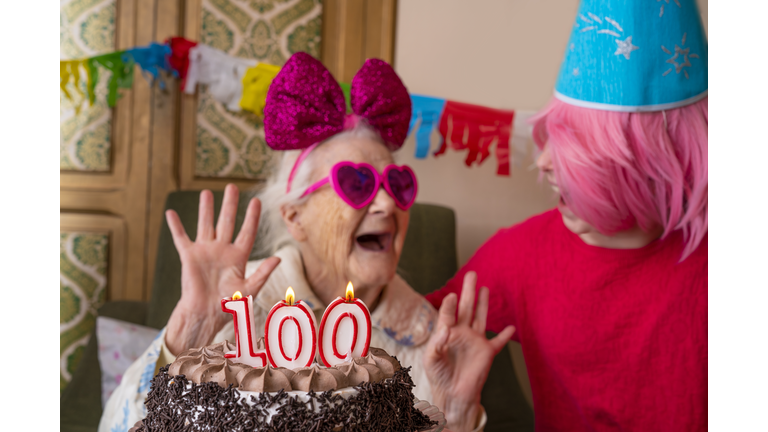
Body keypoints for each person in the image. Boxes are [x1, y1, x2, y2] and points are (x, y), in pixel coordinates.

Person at [100, 53, 509, 432]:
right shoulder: (237, 314)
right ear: (295, 217)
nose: (387, 204)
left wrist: (456, 415)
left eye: (397, 184)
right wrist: (188, 336)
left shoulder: (433, 344)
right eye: (357, 183)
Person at [423, 0, 708, 430]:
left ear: (650, 159)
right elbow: (408, 330)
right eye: (552, 137)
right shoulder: (520, 254)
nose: (542, 163)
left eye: (579, 150)